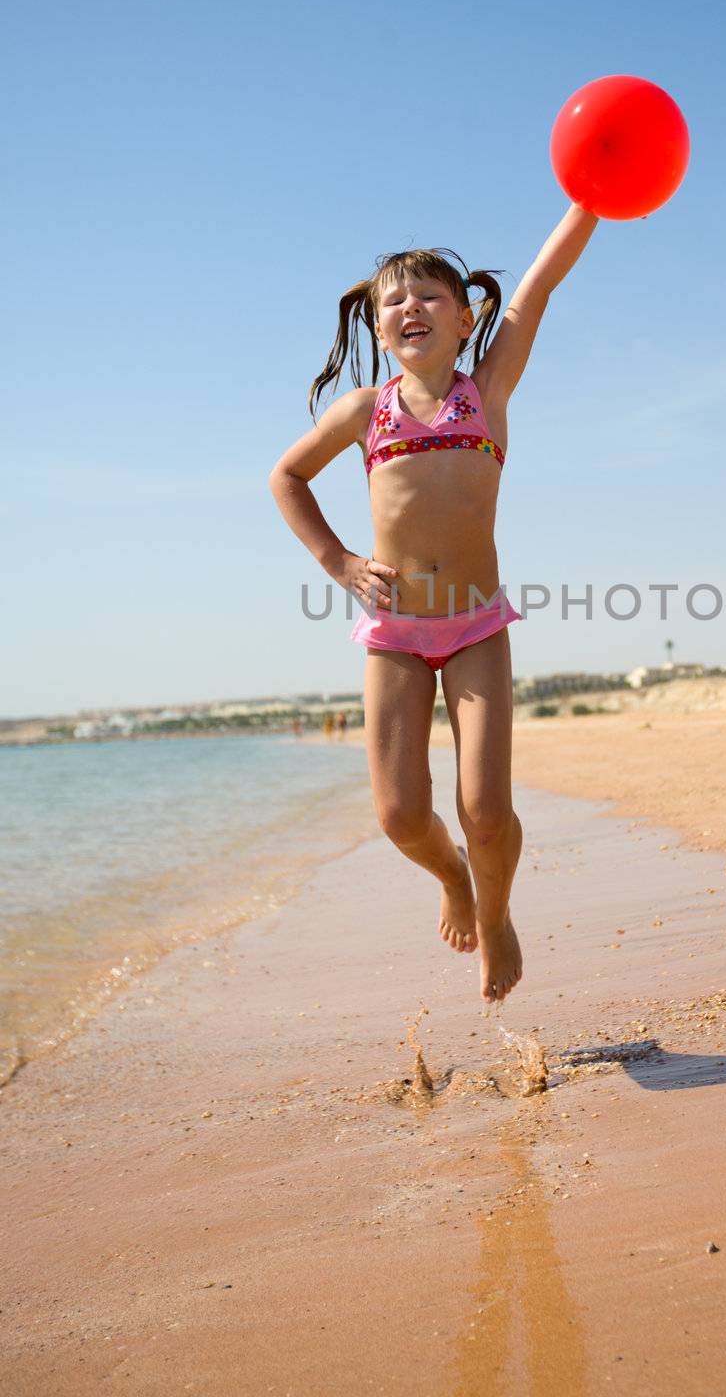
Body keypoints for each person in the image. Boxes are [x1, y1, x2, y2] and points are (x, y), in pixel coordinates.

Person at [269, 202, 599, 1003]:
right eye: (393, 300)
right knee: (399, 816)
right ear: (380, 329)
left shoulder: (487, 388)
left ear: (463, 319)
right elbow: (286, 477)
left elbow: (541, 283)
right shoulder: (362, 410)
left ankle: (495, 912)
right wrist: (339, 559)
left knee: (486, 806)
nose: (408, 307)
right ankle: (452, 877)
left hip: (477, 626)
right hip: (395, 634)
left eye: (428, 295)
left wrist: (591, 194)